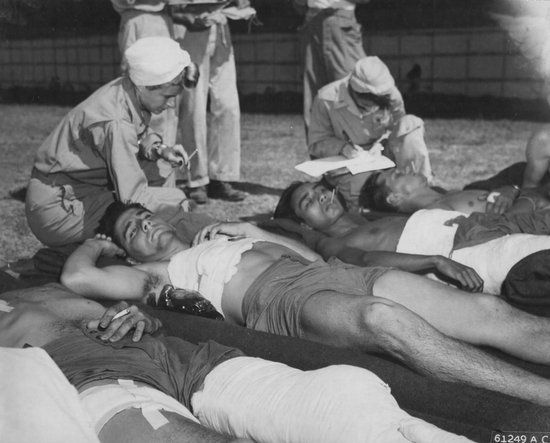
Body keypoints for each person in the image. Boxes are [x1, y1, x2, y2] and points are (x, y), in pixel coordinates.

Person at [60, 202, 550, 406]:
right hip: (276, 300)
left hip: (327, 272)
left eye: (145, 216)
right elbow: (77, 276)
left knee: (488, 314)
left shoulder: (221, 232)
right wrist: (100, 242)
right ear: (128, 252)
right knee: (380, 321)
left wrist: (253, 232)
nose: (147, 225)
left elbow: (316, 256)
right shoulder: (152, 275)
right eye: (134, 231)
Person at [0, 282, 475, 443]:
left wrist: (140, 316)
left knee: (345, 400)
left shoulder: (35, 294)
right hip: (97, 382)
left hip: (185, 360)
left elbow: (91, 286)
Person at [25, 37, 198, 248]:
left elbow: (139, 133)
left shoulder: (126, 88)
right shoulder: (116, 122)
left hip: (78, 190)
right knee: (173, 204)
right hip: (57, 208)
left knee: (162, 167)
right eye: (167, 96)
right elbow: (132, 198)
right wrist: (179, 204)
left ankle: (144, 248)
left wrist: (160, 149)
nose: (170, 104)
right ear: (144, 87)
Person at [273, 180, 550, 294]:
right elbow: (365, 259)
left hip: (474, 226)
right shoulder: (331, 240)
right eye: (307, 202)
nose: (319, 196)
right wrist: (434, 261)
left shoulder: (366, 218)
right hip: (460, 247)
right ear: (305, 225)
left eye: (319, 189)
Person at [308, 56, 432, 210]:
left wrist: (381, 144)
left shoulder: (392, 95)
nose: (374, 107)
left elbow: (399, 131)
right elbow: (317, 142)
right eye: (368, 103)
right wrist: (342, 148)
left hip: (385, 156)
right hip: (349, 164)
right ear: (356, 93)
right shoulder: (326, 99)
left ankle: (422, 188)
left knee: (410, 123)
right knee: (358, 193)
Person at [170, 1, 248, 204]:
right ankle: (197, 179)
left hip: (220, 24)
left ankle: (220, 176)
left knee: (228, 105)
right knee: (193, 105)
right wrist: (183, 16)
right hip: (190, 28)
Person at [292, 0, 370, 133]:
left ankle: (360, 150)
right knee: (315, 101)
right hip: (312, 21)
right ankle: (322, 152)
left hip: (341, 20)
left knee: (355, 92)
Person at [111, 0, 179, 149]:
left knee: (168, 92)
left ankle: (165, 162)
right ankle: (141, 160)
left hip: (161, 17)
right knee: (138, 90)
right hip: (136, 16)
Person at [362, 167, 550, 215]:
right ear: (395, 198)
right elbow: (495, 231)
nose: (406, 170)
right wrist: (528, 198)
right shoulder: (435, 214)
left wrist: (512, 189)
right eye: (397, 176)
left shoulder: (449, 195)